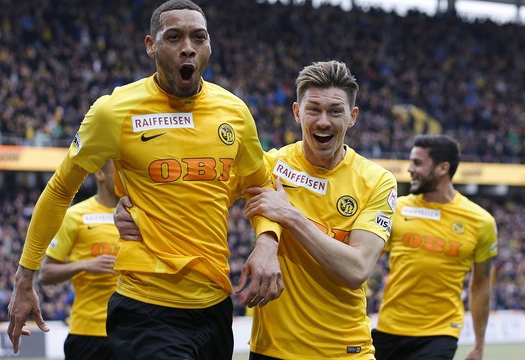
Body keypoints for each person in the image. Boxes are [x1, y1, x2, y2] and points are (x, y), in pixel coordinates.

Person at [7, 1, 284, 359]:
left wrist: (266, 243)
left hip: (214, 306)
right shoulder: (114, 111)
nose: (188, 47)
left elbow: (259, 186)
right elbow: (61, 189)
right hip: (146, 308)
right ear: (151, 46)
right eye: (174, 37)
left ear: (209, 47)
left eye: (198, 37)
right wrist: (24, 276)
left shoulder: (235, 112)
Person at [115, 60, 399, 359]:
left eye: (335, 111)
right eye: (313, 109)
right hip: (270, 351)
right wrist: (132, 209)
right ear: (297, 112)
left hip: (344, 351)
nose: (323, 121)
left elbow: (356, 269)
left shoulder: (376, 181)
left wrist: (289, 216)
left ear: (352, 116)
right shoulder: (269, 166)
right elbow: (190, 198)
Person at [372, 134, 498, 360]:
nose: (409, 169)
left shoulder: (481, 222)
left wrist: (479, 345)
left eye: (417, 163)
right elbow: (363, 260)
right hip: (388, 328)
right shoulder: (395, 209)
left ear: (443, 168)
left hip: (440, 333)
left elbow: (481, 284)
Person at [38, 160, 119, 360]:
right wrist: (85, 265)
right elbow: (46, 274)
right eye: (119, 170)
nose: (126, 176)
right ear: (100, 174)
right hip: (87, 333)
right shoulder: (76, 216)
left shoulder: (140, 215)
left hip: (130, 331)